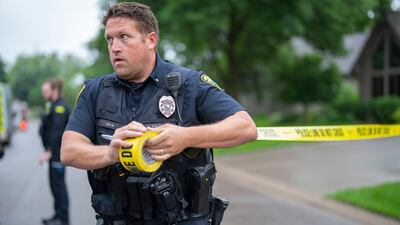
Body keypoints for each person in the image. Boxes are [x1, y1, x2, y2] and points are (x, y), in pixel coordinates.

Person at [61, 2, 257, 225]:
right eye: (110, 39)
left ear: (151, 40)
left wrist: (185, 137)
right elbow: (69, 151)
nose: (114, 47)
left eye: (124, 37)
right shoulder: (95, 91)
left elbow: (245, 127)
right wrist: (110, 154)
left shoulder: (189, 84)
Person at [39, 80, 70, 225]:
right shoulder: (52, 105)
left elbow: (57, 132)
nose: (43, 94)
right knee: (54, 186)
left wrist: (49, 151)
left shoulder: (60, 108)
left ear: (55, 90)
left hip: (57, 154)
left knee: (59, 187)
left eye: (45, 91)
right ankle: (57, 215)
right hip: (53, 153)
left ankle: (63, 220)